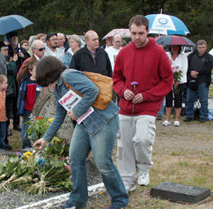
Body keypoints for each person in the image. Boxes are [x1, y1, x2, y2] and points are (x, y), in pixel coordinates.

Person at [33, 56, 128, 209]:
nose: (48, 86)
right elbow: (59, 115)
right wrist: (45, 139)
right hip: (84, 123)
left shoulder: (68, 75)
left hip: (103, 120)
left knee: (103, 163)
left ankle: (120, 200)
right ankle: (78, 200)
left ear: (49, 74)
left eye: (47, 82)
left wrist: (76, 111)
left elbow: (93, 90)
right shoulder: (57, 88)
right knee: (75, 159)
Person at [113, 15, 173, 192]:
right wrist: (123, 90)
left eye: (140, 33)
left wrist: (147, 95)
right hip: (125, 106)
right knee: (124, 145)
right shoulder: (124, 52)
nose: (137, 37)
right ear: (129, 32)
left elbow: (167, 81)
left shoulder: (159, 52)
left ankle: (144, 168)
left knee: (142, 139)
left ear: (147, 31)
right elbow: (116, 78)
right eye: (133, 33)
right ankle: (127, 180)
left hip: (148, 106)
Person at [184, 40, 213, 123]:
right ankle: (189, 115)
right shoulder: (190, 56)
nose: (201, 49)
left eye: (203, 47)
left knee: (203, 100)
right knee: (189, 99)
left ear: (206, 47)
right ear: (196, 47)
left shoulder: (209, 58)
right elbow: (187, 66)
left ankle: (203, 116)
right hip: (192, 81)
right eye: (199, 47)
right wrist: (191, 73)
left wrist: (197, 72)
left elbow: (208, 69)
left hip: (203, 81)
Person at [162, 45, 188, 127]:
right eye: (173, 47)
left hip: (179, 82)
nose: (175, 48)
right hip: (168, 82)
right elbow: (164, 67)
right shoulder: (167, 55)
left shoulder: (183, 56)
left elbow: (184, 69)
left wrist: (178, 81)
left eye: (177, 47)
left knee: (178, 98)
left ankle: (177, 119)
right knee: (168, 99)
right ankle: (168, 119)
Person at [17, 61, 41, 149]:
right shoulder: (26, 82)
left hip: (39, 109)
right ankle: (26, 145)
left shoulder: (42, 82)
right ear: (30, 71)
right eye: (36, 70)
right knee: (27, 127)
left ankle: (36, 144)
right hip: (28, 109)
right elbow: (21, 96)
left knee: (38, 127)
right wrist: (20, 109)